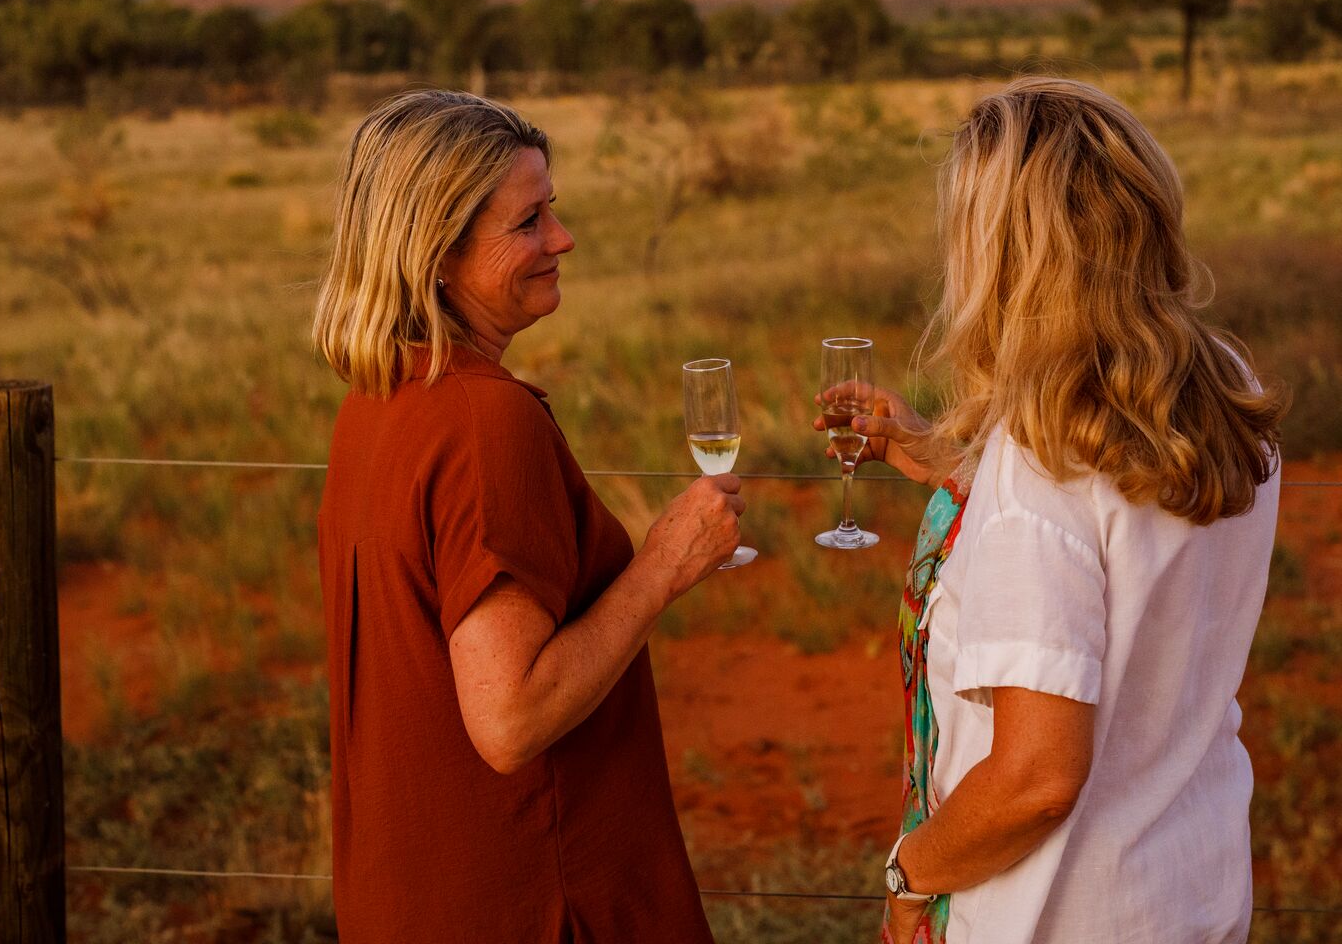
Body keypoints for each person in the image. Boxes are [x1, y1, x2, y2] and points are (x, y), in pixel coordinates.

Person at [823, 78, 1288, 943]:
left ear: (1002, 251)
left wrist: (909, 875)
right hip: (1189, 893)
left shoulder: (1041, 461)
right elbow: (1128, 537)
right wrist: (955, 466)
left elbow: (1037, 777)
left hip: (1050, 918)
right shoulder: (1219, 384)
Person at [311, 89, 740, 943]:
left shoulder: (380, 400)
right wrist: (665, 565)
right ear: (435, 251)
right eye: (528, 222)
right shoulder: (481, 421)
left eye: (554, 211)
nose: (562, 239)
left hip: (412, 896)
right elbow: (512, 720)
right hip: (530, 902)